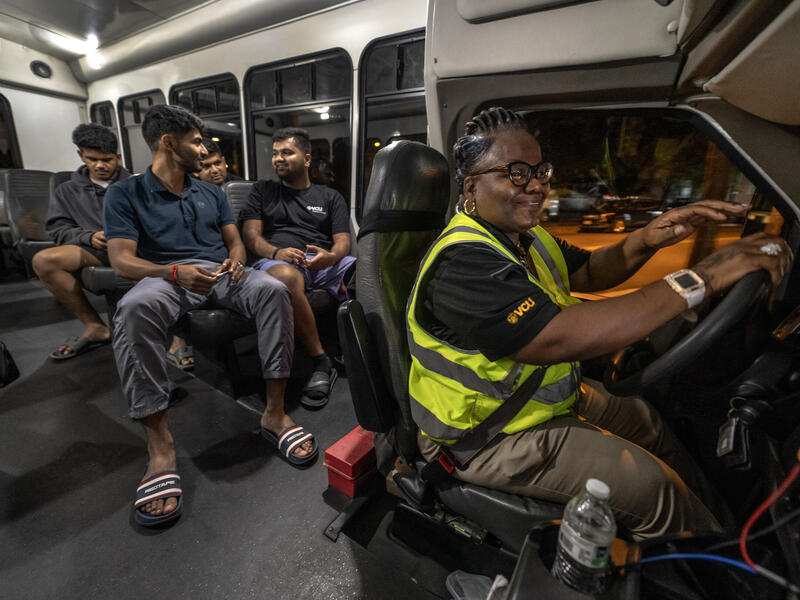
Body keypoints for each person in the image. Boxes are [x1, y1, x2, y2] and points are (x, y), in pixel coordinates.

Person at [407, 107, 793, 540]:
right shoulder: (463, 261)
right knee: (654, 488)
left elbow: (591, 272)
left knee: (648, 423)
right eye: (515, 172)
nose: (536, 183)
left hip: (543, 400)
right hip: (491, 435)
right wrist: (703, 277)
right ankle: (723, 569)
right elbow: (556, 337)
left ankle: (727, 527)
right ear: (472, 186)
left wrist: (649, 238)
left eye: (540, 169)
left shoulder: (525, 238)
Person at [104, 105, 317, 527]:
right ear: (169, 142)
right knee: (132, 308)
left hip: (219, 272)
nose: (204, 150)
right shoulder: (125, 193)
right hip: (165, 275)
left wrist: (236, 263)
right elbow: (121, 262)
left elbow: (235, 243)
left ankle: (274, 411)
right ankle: (160, 446)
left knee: (274, 290)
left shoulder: (211, 193)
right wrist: (172, 272)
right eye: (196, 141)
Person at [241, 127, 355, 409]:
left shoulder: (329, 197)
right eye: (275, 153)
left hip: (322, 263)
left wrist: (330, 257)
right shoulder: (263, 191)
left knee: (365, 270)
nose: (278, 158)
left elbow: (343, 242)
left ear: (306, 159)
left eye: (287, 152)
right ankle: (320, 360)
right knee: (286, 276)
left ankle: (361, 350)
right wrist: (277, 251)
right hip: (278, 259)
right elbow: (251, 236)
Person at [33, 124, 130, 360]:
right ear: (80, 156)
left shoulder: (136, 184)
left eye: (107, 159)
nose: (100, 165)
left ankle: (176, 335)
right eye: (92, 159)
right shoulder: (67, 191)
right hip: (94, 250)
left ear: (117, 157)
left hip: (134, 248)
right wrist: (88, 237)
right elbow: (58, 229)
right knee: (44, 261)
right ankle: (96, 327)